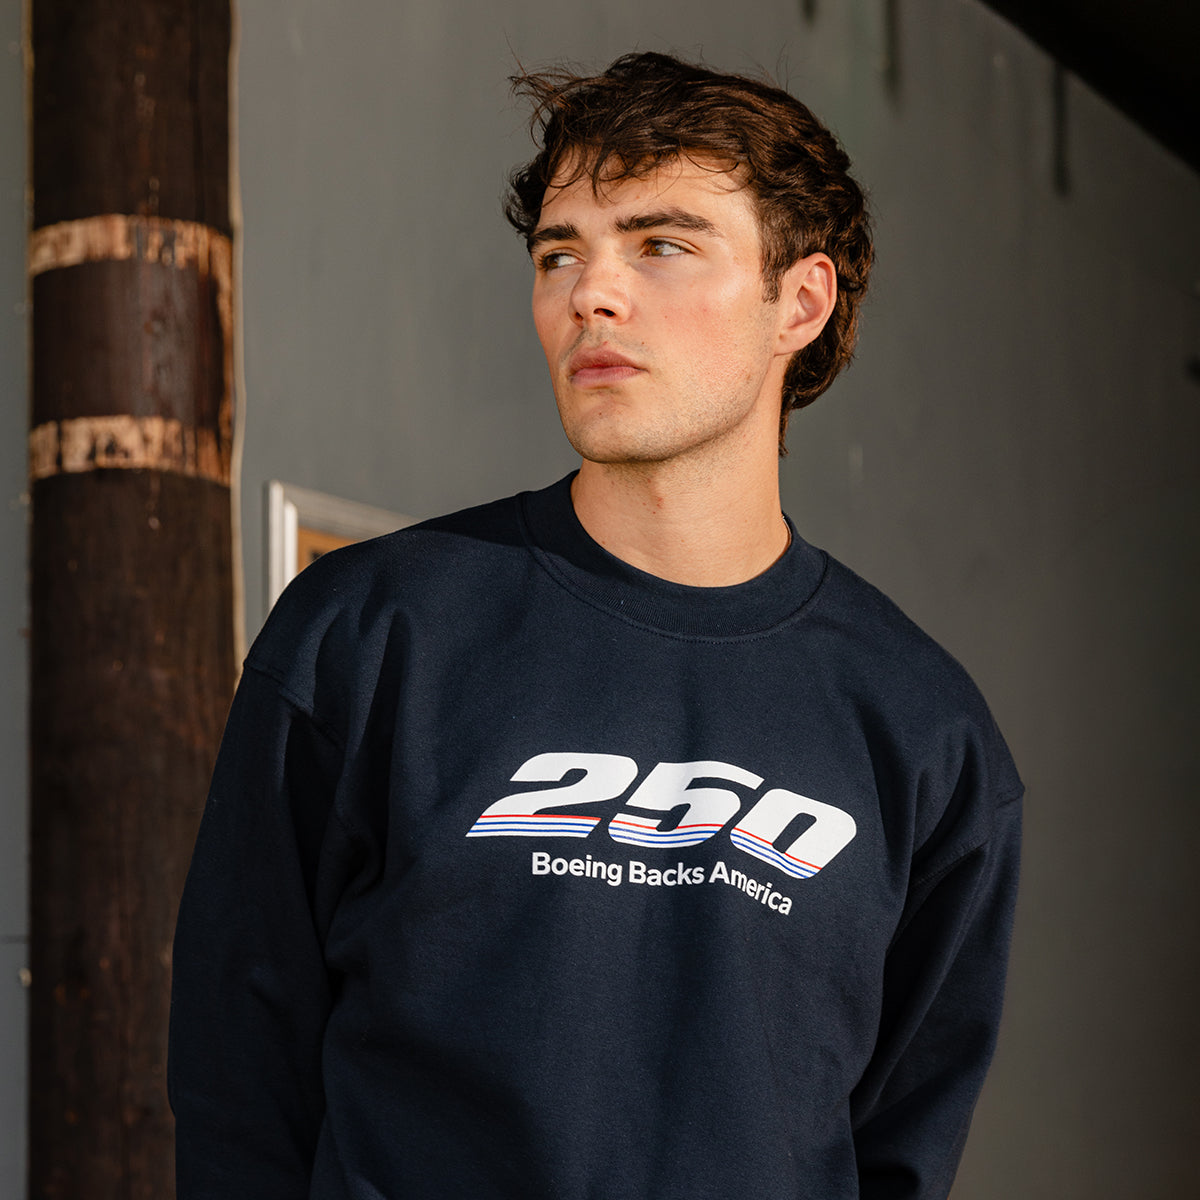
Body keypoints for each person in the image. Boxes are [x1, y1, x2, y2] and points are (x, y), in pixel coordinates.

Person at [169, 51, 1022, 1200]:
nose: (591, 294)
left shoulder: (924, 732)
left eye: (661, 245)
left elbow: (896, 1149)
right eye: (560, 252)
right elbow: (239, 1085)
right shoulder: (369, 637)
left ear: (801, 303)